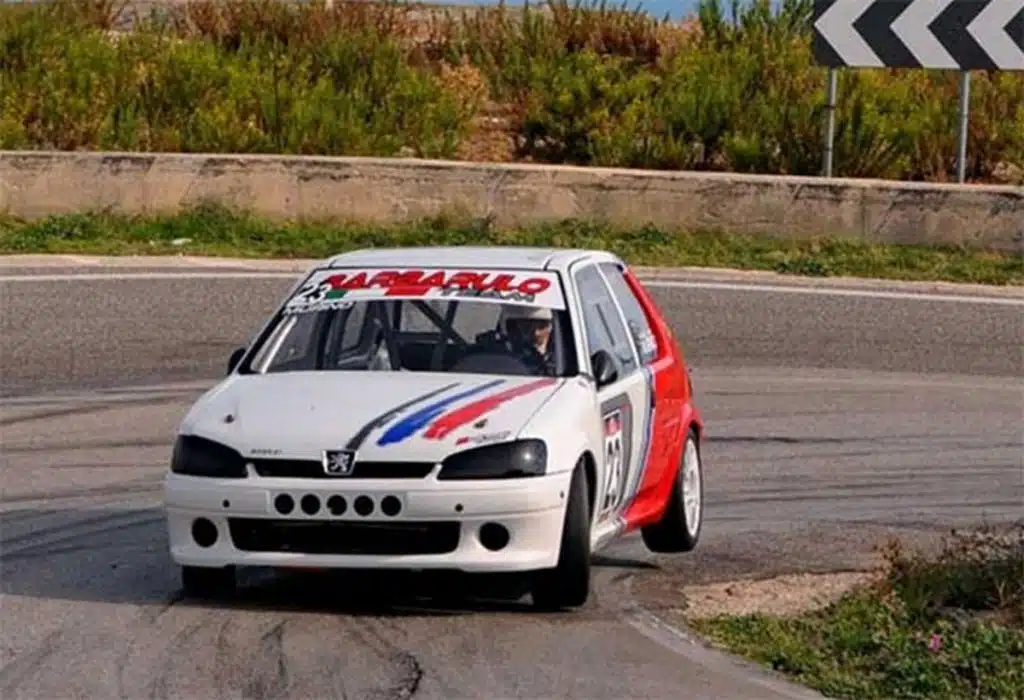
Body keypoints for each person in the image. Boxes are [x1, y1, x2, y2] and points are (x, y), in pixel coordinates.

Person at [494, 304, 556, 375]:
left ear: (551, 325)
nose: (535, 332)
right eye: (527, 325)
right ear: (516, 324)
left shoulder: (564, 353)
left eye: (542, 325)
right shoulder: (502, 354)